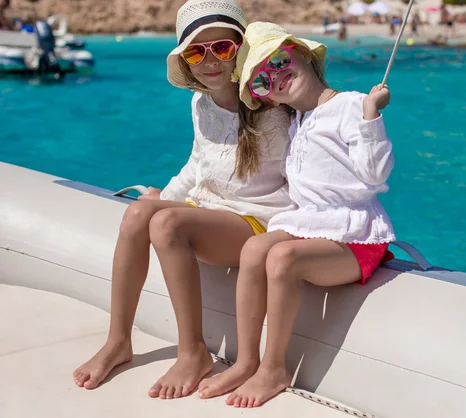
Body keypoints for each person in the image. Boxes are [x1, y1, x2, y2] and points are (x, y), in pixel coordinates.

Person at [72, 0, 295, 400]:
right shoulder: (201, 103)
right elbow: (199, 164)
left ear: (240, 51)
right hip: (210, 211)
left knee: (166, 223)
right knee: (140, 213)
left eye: (222, 48)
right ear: (186, 61)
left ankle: (193, 351)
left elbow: (302, 175)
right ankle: (118, 339)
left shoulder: (273, 108)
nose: (210, 61)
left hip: (256, 221)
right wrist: (167, 196)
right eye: (196, 51)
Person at [197, 22, 395, 407]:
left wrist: (372, 116)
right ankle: (248, 359)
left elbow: (375, 176)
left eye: (281, 60)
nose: (275, 76)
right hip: (314, 227)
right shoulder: (297, 122)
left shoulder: (352, 106)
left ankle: (274, 367)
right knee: (256, 249)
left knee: (282, 257)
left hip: (355, 237)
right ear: (267, 99)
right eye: (261, 82)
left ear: (303, 54)